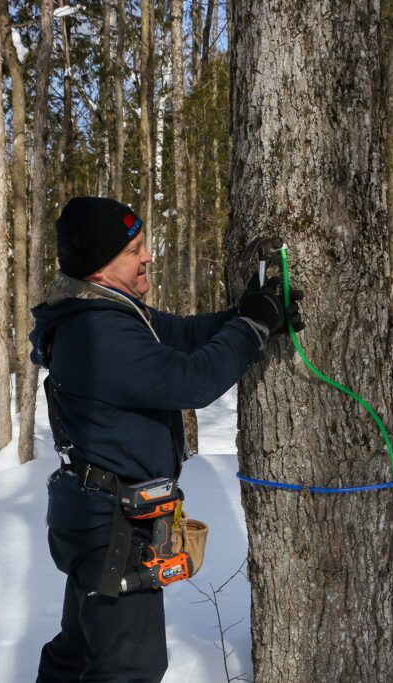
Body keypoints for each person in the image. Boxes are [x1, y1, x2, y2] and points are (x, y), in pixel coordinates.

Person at [29, 196, 302, 682]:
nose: (148, 256)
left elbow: (181, 333)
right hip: (113, 529)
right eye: (136, 249)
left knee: (78, 652)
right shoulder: (97, 332)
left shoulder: (104, 312)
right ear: (101, 265)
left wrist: (249, 315)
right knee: (128, 668)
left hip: (96, 517)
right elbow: (190, 380)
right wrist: (252, 327)